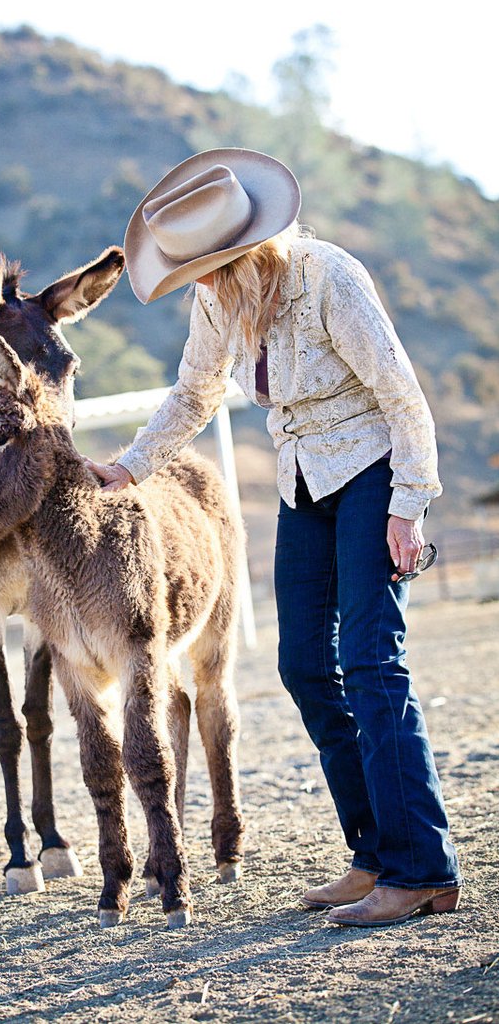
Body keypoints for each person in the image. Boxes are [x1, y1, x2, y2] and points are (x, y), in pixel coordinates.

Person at [86, 147, 462, 927]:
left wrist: (408, 505)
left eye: (211, 271)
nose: (203, 288)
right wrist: (128, 467)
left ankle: (423, 869)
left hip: (370, 470)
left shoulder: (329, 278)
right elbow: (194, 394)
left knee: (371, 661)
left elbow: (401, 392)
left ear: (247, 253)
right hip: (301, 481)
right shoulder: (216, 302)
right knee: (303, 666)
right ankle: (374, 854)